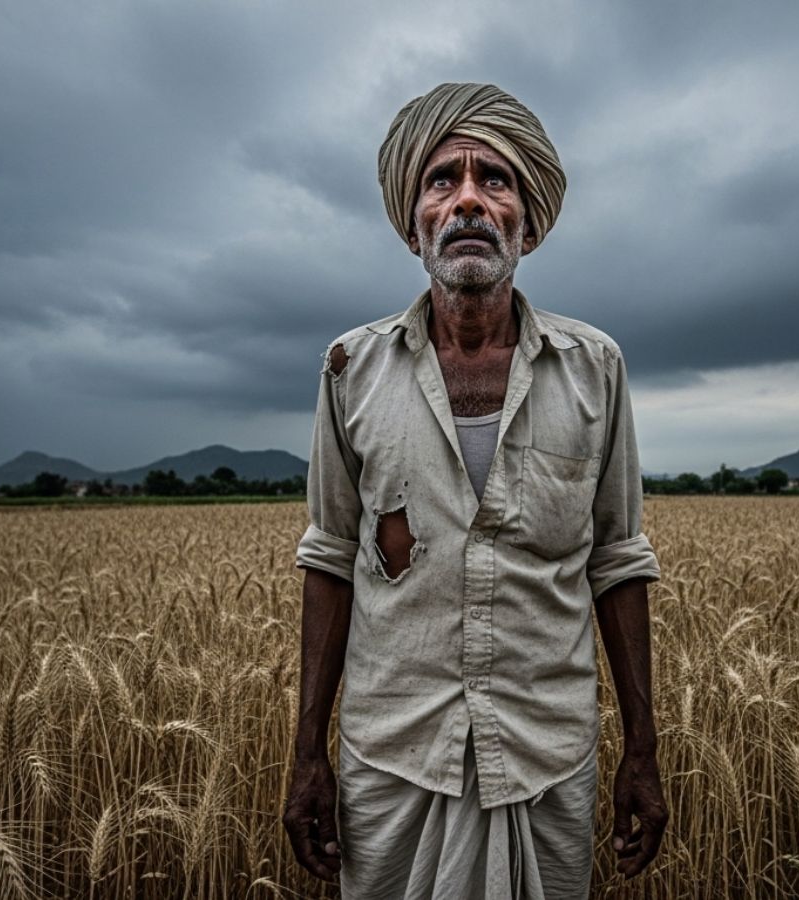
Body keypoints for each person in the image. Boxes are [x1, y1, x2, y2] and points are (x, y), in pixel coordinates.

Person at [284, 82, 666, 899]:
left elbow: (619, 560)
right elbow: (328, 556)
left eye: (494, 179)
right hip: (392, 754)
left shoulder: (595, 369)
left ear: (527, 221)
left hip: (544, 754)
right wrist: (305, 751)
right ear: (412, 219)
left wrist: (643, 748)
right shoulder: (351, 369)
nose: (467, 200)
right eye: (441, 181)